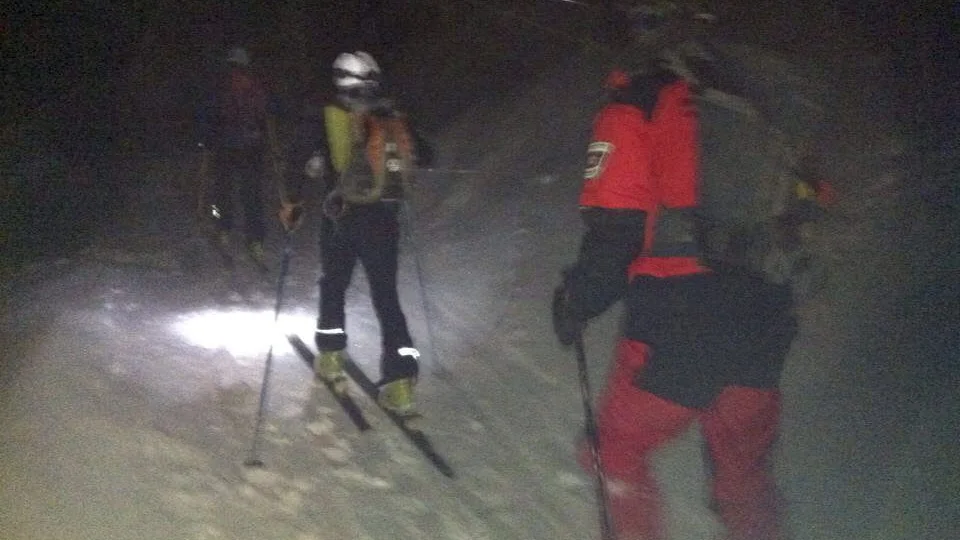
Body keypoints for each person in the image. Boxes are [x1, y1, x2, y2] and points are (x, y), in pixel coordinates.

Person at [551, 3, 829, 539]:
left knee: (617, 451)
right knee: (743, 474)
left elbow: (616, 232)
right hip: (765, 317)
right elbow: (811, 204)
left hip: (678, 317)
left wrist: (576, 302)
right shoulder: (755, 99)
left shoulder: (638, 100)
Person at [278, 51, 422, 416]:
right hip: (385, 219)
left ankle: (330, 355)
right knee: (386, 295)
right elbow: (424, 152)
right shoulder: (387, 112)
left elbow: (296, 157)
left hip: (341, 215)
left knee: (334, 283)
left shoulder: (324, 113)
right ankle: (401, 380)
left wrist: (293, 201)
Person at [197, 45, 281, 266]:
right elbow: (267, 115)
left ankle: (223, 229)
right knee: (252, 194)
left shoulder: (220, 83)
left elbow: (209, 115)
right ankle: (255, 239)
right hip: (251, 147)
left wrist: (206, 142)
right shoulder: (255, 84)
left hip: (225, 147)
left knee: (222, 191)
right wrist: (269, 145)